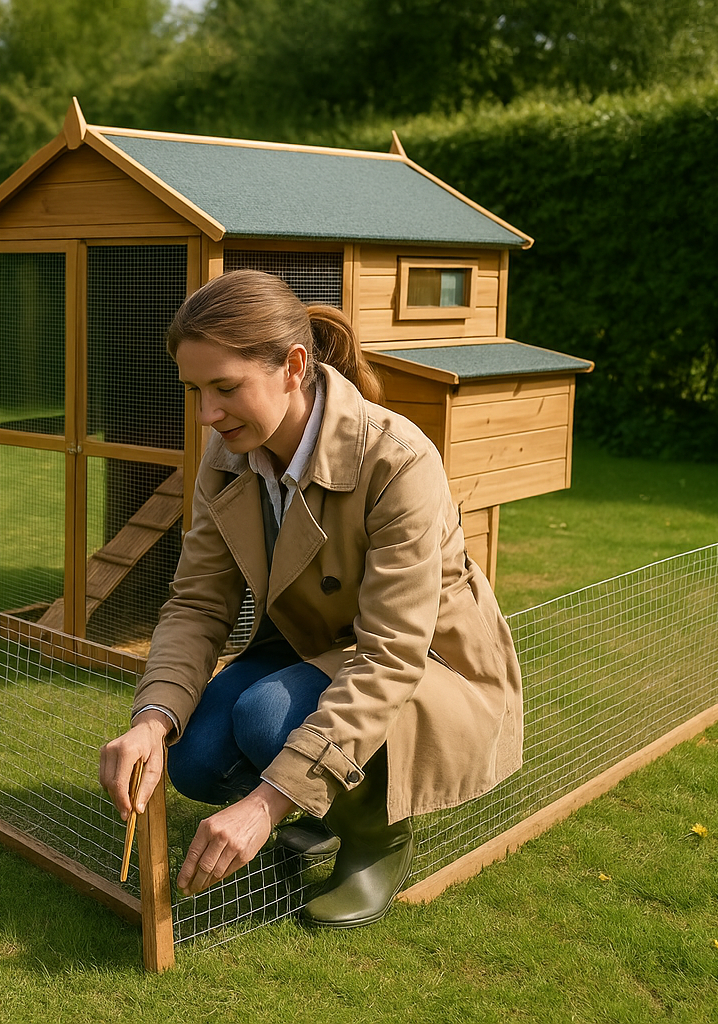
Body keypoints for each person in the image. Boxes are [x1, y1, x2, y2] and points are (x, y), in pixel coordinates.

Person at [99, 270, 523, 928]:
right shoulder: (225, 456)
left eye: (225, 388)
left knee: (268, 718)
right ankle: (325, 795)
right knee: (196, 755)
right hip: (315, 650)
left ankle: (377, 836)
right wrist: (150, 719)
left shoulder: (399, 460)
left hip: (426, 669)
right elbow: (197, 604)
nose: (207, 415)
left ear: (294, 366)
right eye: (195, 391)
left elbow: (388, 656)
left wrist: (266, 805)